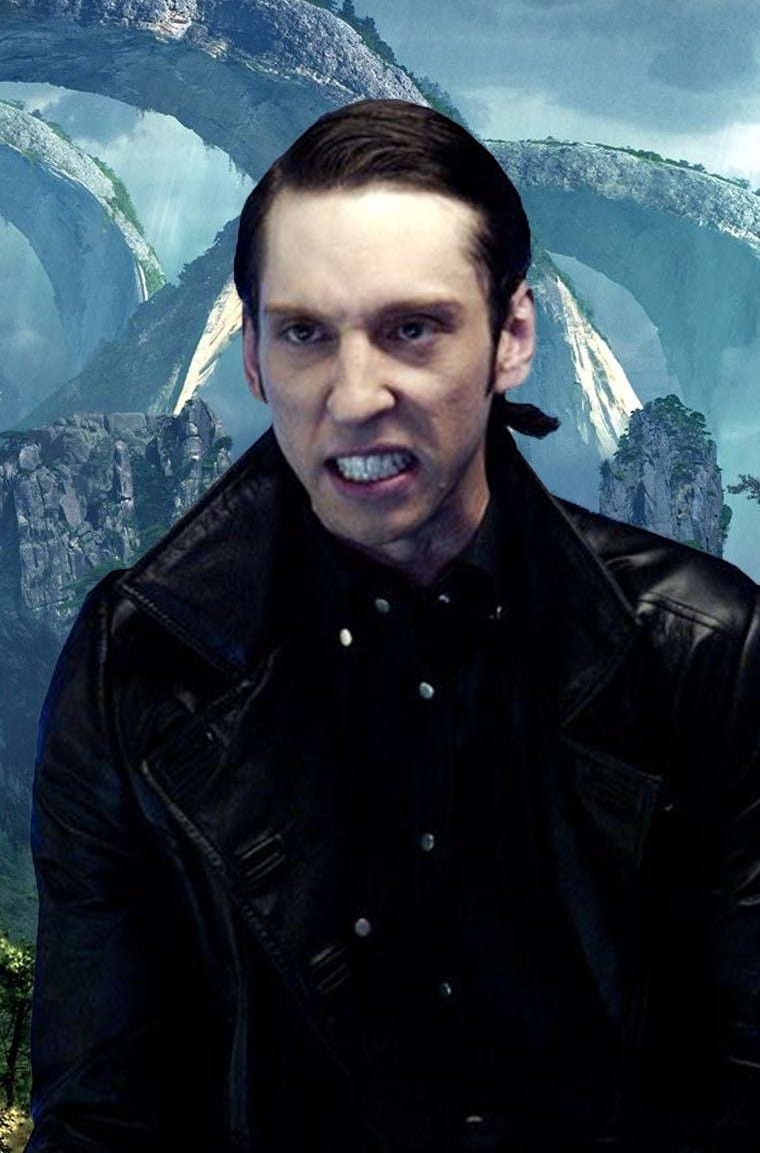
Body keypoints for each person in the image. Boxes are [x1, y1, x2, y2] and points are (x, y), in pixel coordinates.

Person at [28, 99, 760, 1153]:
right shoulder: (134, 666)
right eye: (305, 334)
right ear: (252, 359)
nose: (356, 395)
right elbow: (104, 1116)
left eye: (411, 329)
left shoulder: (704, 649)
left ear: (511, 336)